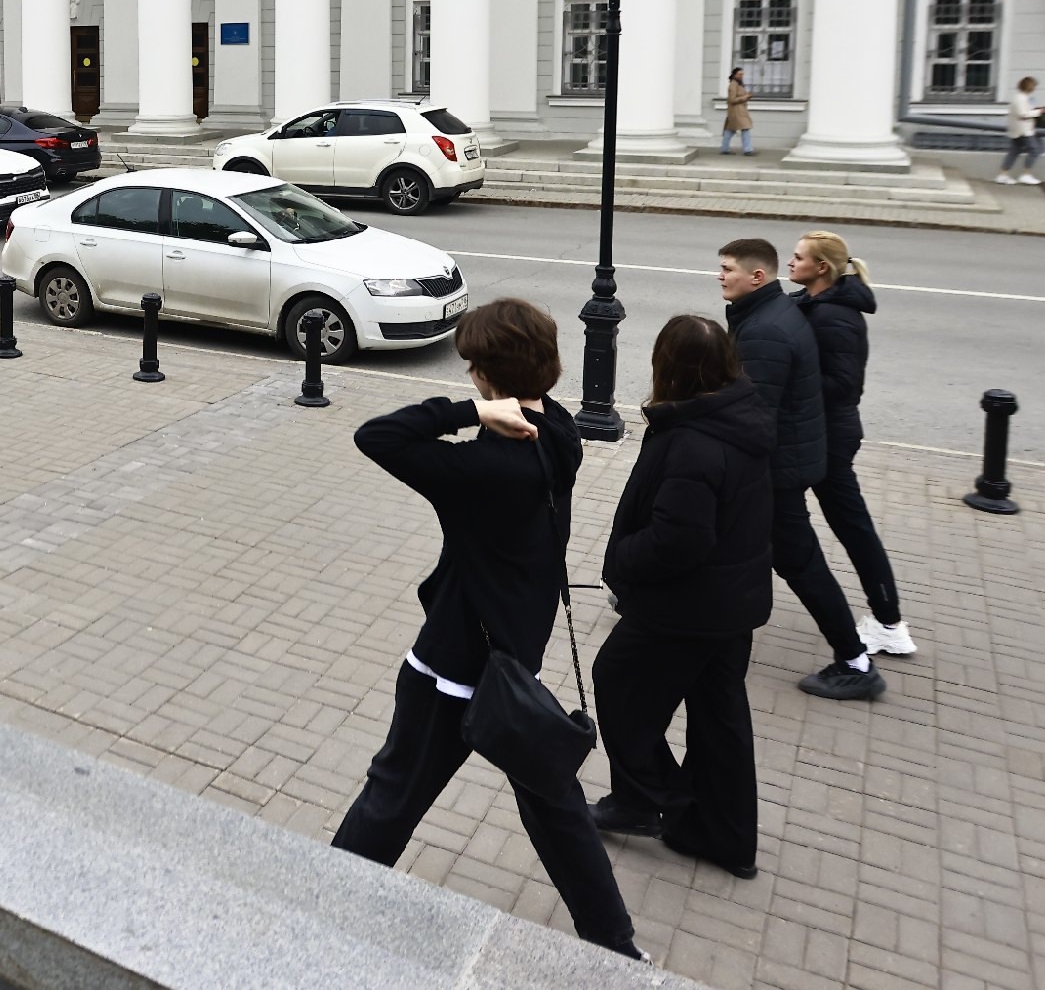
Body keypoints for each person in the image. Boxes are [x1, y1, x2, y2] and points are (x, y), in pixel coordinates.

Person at [331, 298, 642, 961]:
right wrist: (502, 407)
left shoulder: (480, 471)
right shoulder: (558, 432)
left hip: (450, 667)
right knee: (555, 809)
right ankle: (616, 945)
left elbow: (377, 436)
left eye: (471, 368)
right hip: (513, 666)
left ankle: (326, 900)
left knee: (391, 797)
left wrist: (468, 414)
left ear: (481, 376)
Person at [589, 315, 774, 879]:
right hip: (730, 601)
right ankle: (726, 838)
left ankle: (650, 799)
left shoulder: (695, 440)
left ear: (670, 369)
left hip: (687, 607)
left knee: (616, 682)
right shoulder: (739, 416)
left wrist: (620, 560)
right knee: (720, 718)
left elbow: (680, 541)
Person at [719, 237, 880, 701]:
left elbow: (755, 412)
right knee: (724, 535)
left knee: (800, 561)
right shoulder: (770, 312)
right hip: (781, 462)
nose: (720, 275)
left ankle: (854, 660)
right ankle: (647, 601)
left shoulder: (765, 329)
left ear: (756, 276)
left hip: (774, 470)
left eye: (728, 268)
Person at [790, 231, 913, 658]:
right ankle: (888, 620)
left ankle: (888, 623)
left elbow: (843, 384)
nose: (791, 263)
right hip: (823, 434)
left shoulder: (837, 317)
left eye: (798, 257)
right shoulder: (818, 304)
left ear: (821, 268)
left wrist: (792, 379)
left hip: (829, 438)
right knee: (850, 526)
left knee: (852, 528)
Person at [996, 75, 1045, 185]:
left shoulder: (1020, 97)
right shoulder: (1021, 98)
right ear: (1030, 87)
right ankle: (1026, 174)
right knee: (1034, 150)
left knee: (1014, 151)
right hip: (1023, 130)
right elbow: (1023, 114)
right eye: (1034, 86)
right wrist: (1038, 112)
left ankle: (1003, 174)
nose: (1035, 89)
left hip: (1018, 129)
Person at [720, 68, 754, 156]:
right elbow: (732, 99)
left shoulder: (738, 84)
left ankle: (724, 148)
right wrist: (746, 97)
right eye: (740, 74)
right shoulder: (733, 85)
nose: (741, 76)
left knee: (730, 130)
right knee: (745, 128)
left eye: (742, 74)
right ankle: (748, 150)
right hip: (736, 111)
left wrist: (747, 96)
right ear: (734, 75)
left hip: (739, 110)